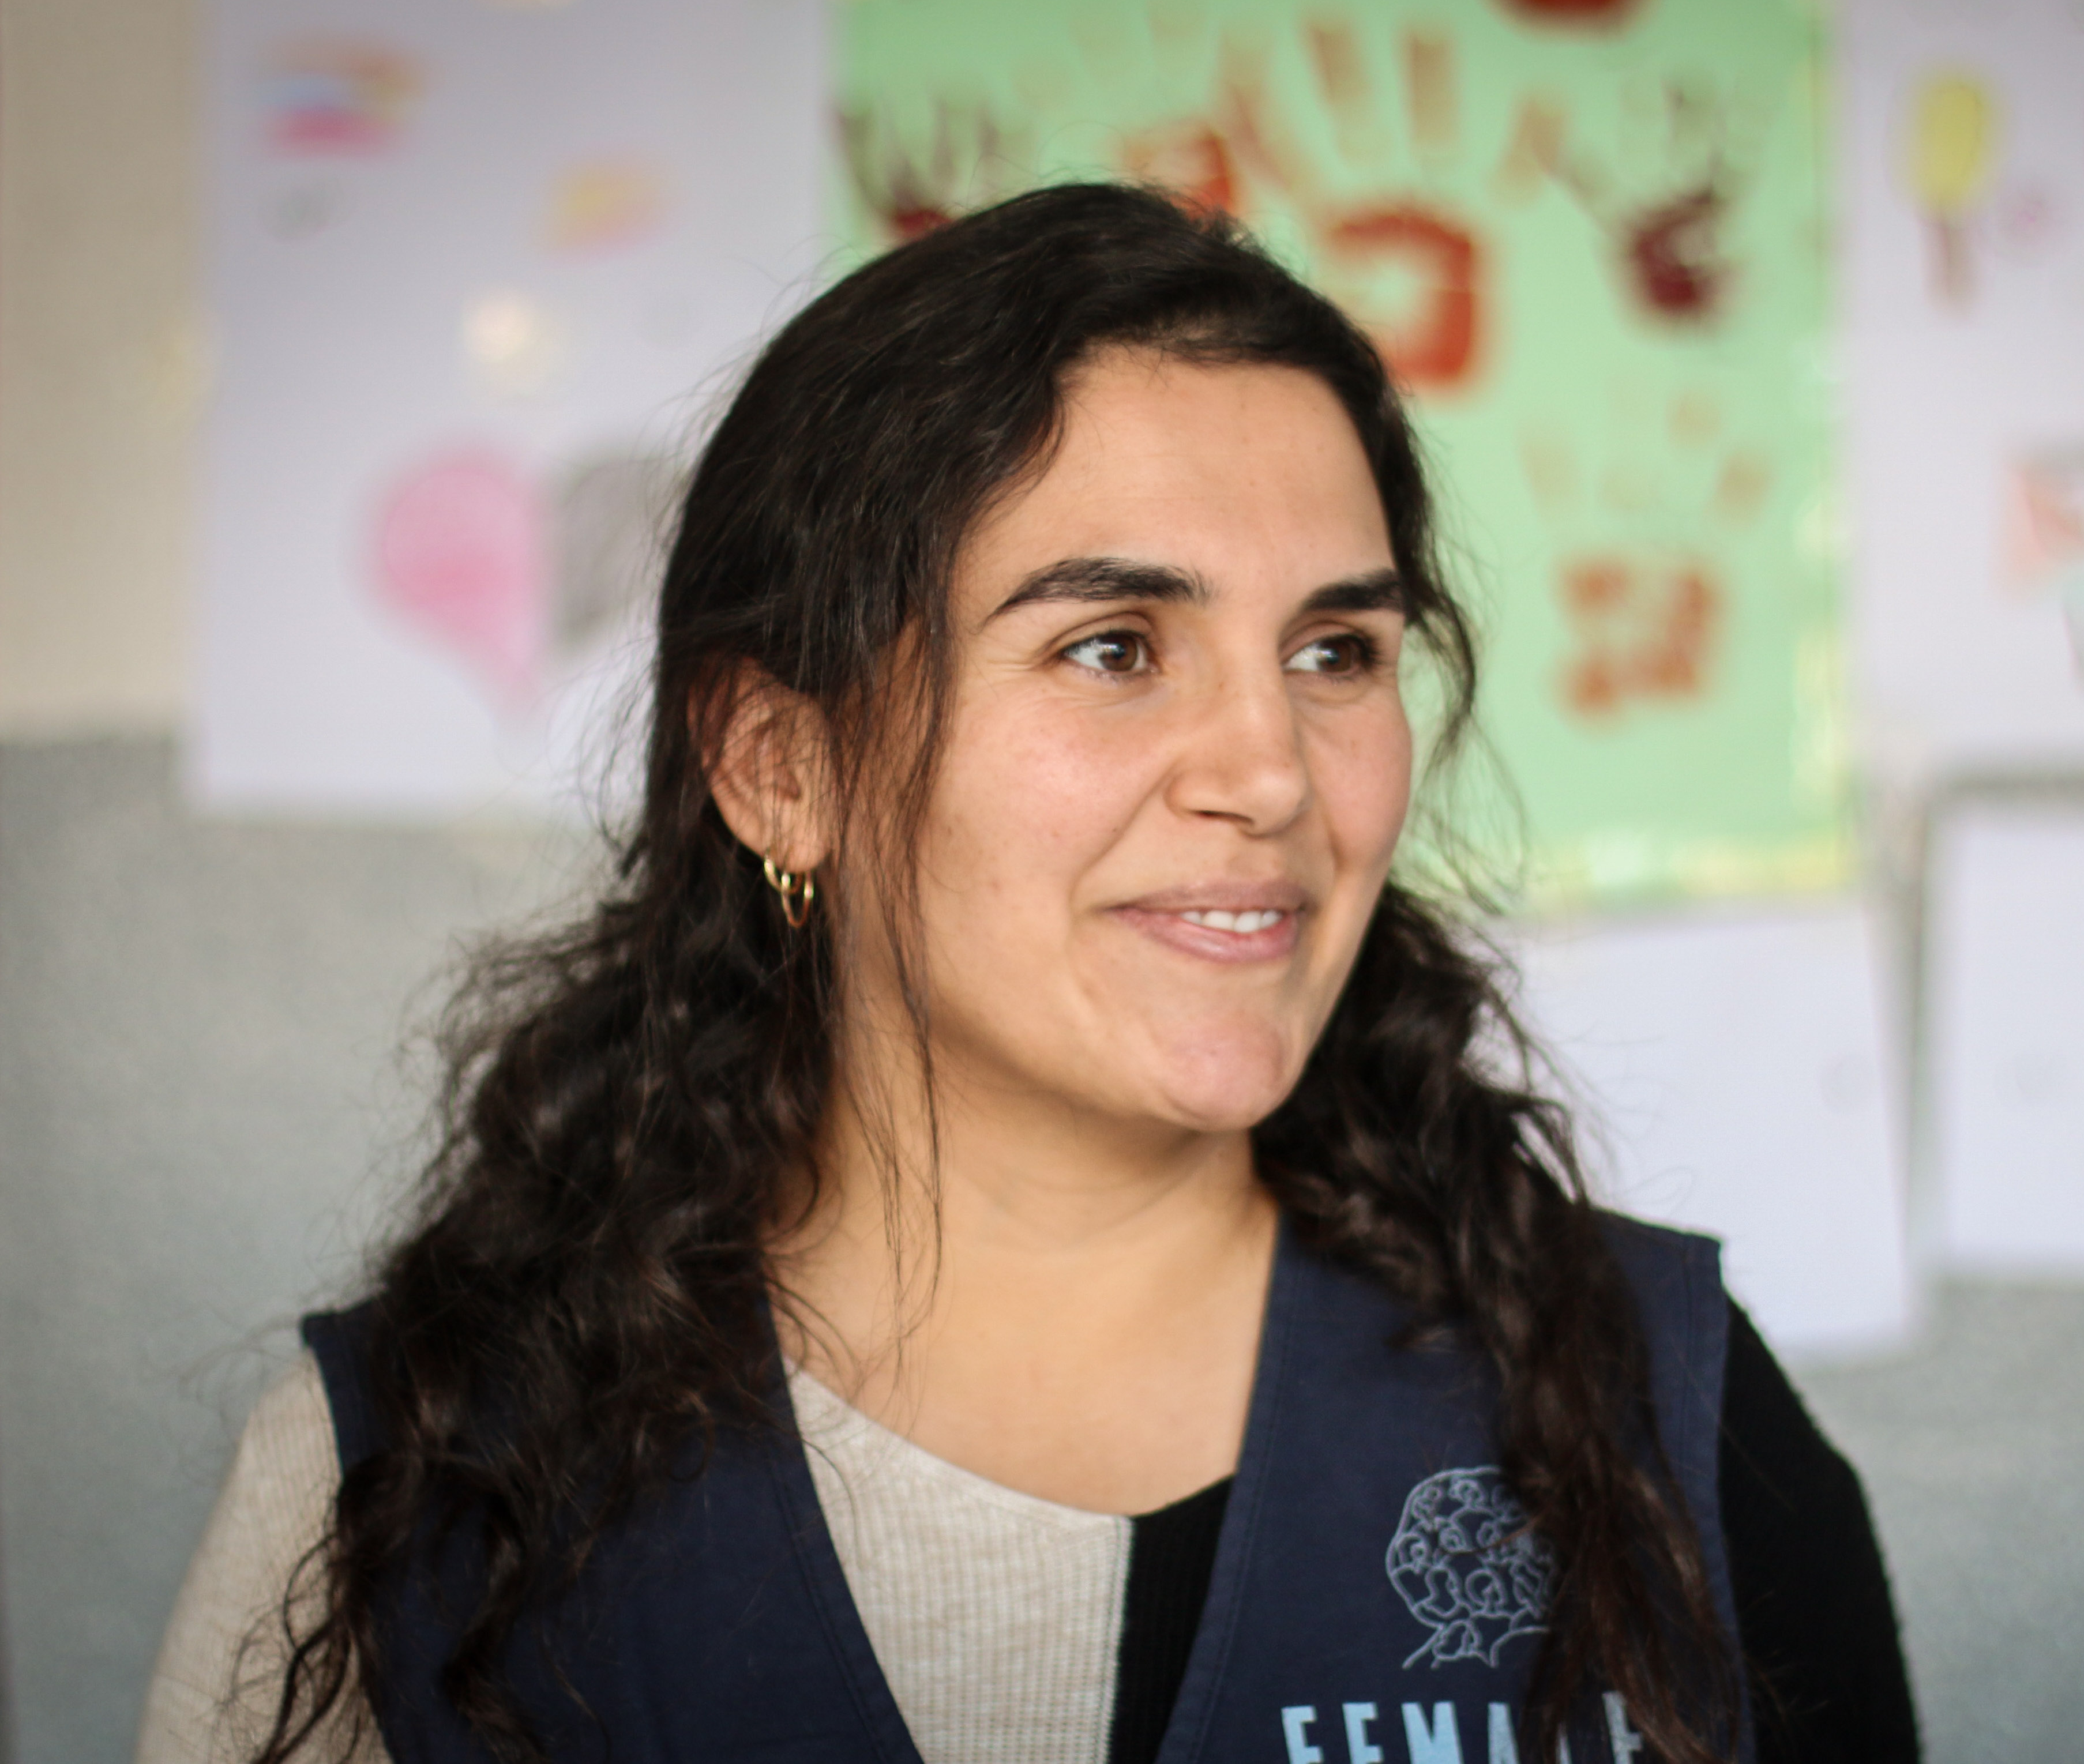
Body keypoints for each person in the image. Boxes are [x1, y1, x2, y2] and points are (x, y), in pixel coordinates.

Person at [137, 183, 1917, 1764]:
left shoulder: (1658, 1417)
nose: (1274, 769)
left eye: (1334, 649)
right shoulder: (416, 1481)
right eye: (1115, 644)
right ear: (781, 763)